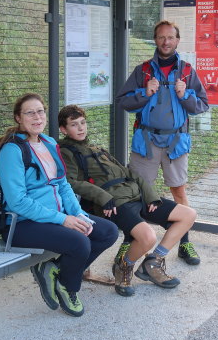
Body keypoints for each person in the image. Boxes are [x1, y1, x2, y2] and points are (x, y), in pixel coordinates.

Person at [0, 93, 118, 316]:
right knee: (80, 243)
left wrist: (78, 214)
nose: (37, 117)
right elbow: (17, 202)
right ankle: (69, 287)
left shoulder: (48, 143)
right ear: (18, 118)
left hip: (54, 217)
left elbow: (63, 184)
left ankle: (54, 269)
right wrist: (63, 219)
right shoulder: (12, 151)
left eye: (40, 111)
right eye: (30, 112)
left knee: (107, 231)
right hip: (22, 224)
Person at [58, 105, 197, 297]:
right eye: (74, 125)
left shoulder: (97, 149)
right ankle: (124, 267)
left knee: (188, 214)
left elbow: (131, 173)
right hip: (113, 203)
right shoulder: (67, 152)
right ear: (64, 130)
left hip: (136, 195)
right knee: (148, 237)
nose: (81, 128)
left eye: (83, 123)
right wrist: (103, 198)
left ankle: (153, 262)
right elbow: (71, 182)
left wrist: (151, 196)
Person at [116, 20, 209, 265]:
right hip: (145, 140)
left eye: (170, 37)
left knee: (178, 190)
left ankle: (184, 241)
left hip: (176, 141)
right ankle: (130, 240)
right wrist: (144, 93)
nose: (166, 42)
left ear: (177, 41)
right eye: (161, 37)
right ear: (155, 40)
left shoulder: (187, 71)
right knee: (136, 193)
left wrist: (184, 94)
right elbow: (123, 102)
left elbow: (202, 105)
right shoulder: (143, 70)